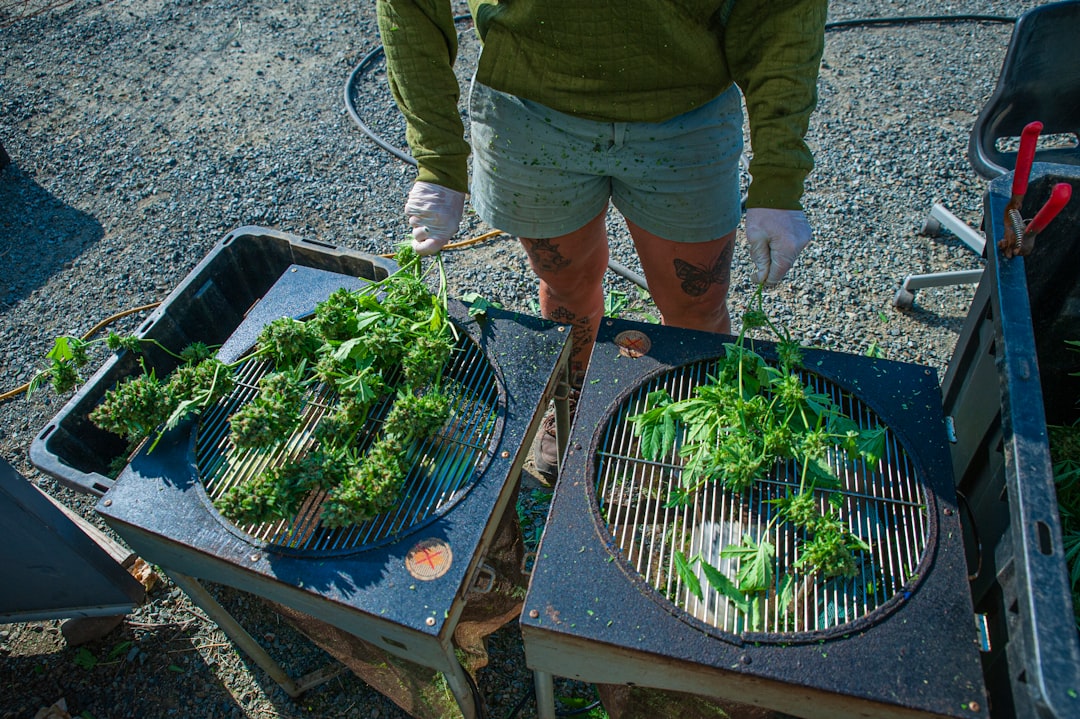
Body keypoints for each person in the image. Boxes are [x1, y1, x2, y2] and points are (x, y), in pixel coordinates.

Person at [377, 0, 827, 481]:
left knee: (697, 306)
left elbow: (786, 9)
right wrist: (438, 159)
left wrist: (778, 178)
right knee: (566, 286)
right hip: (529, 113)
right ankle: (569, 398)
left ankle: (702, 411)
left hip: (686, 110)